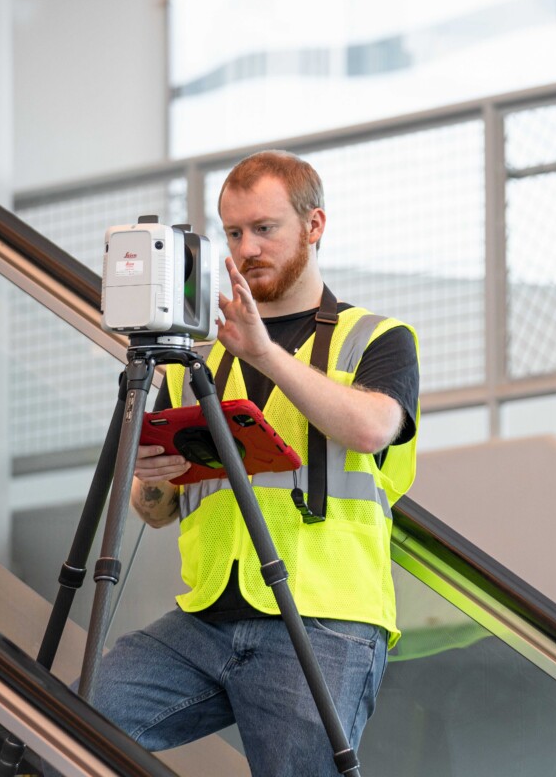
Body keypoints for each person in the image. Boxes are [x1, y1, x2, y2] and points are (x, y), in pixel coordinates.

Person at [89, 150, 420, 776]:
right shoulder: (202, 362)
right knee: (75, 715)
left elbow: (373, 428)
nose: (247, 248)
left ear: (314, 226)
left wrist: (266, 355)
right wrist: (153, 484)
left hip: (325, 617)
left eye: (265, 229)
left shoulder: (375, 337)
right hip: (207, 615)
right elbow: (154, 510)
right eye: (234, 233)